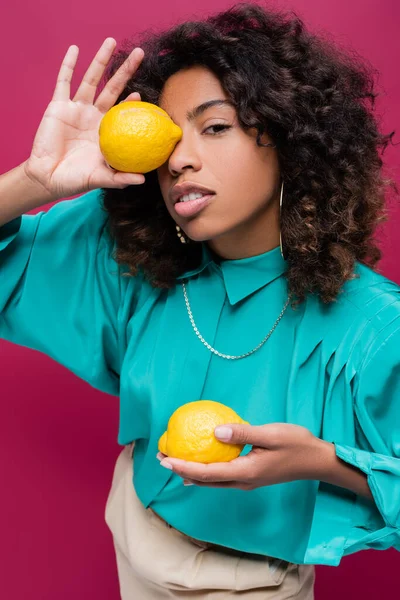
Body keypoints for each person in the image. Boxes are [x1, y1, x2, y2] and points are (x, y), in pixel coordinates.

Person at [1, 2, 399, 598]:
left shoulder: (374, 326)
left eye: (215, 127)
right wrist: (36, 178)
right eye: (168, 140)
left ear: (290, 142)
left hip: (254, 583)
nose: (181, 159)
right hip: (134, 535)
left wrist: (321, 461)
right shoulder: (133, 265)